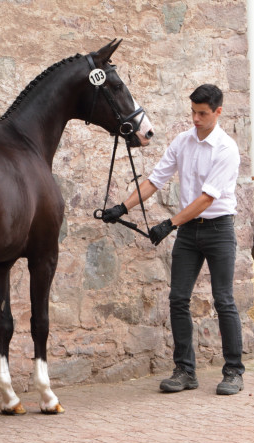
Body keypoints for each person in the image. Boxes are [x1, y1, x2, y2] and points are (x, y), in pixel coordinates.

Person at [102, 84, 244, 395]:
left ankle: (233, 370)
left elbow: (207, 198)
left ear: (218, 112)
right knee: (178, 299)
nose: (195, 118)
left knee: (224, 300)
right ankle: (185, 371)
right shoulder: (183, 142)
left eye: (202, 113)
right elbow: (155, 179)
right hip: (190, 233)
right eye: (192, 111)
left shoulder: (226, 149)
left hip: (219, 229)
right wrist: (121, 207)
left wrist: (169, 223)